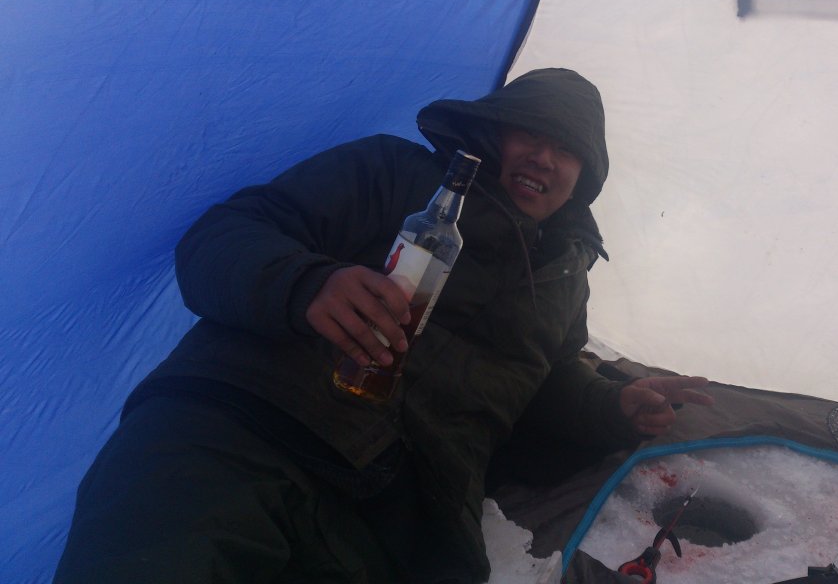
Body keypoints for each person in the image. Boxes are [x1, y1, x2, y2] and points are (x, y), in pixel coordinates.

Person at [54, 68, 713, 583]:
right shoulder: (395, 174)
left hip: (401, 523)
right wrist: (308, 284)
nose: (545, 157)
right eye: (530, 134)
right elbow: (221, 238)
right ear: (494, 134)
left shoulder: (566, 281)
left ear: (583, 177)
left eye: (567, 150)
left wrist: (610, 406)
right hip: (245, 434)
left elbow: (544, 385)